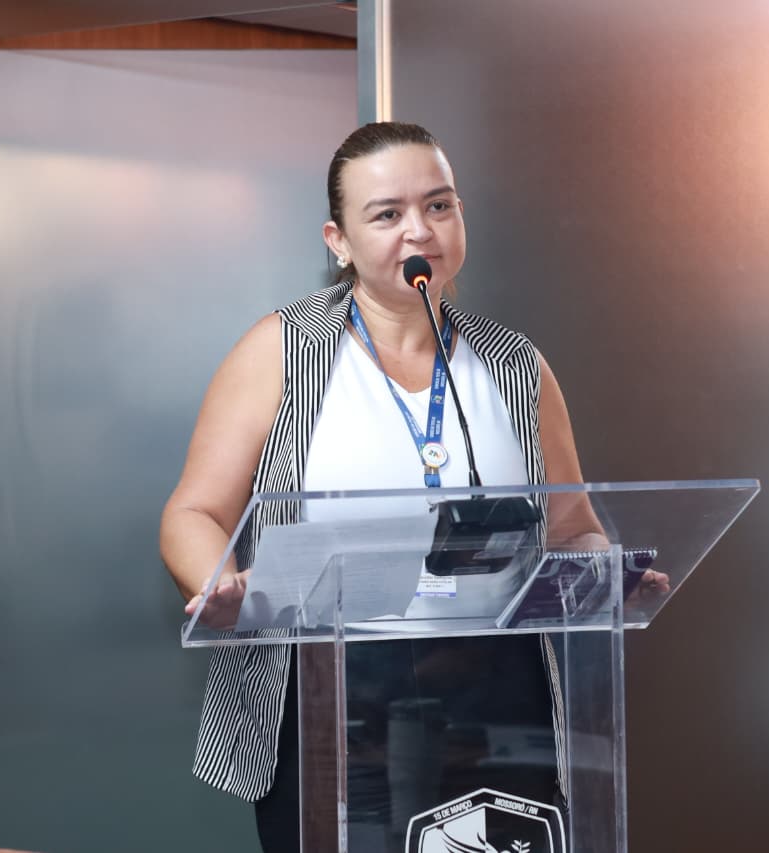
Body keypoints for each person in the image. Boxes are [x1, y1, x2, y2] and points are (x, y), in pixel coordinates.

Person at [160, 122, 665, 853]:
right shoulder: (283, 348)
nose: (419, 231)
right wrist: (224, 583)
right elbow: (193, 511)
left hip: (499, 694)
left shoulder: (515, 365)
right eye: (387, 214)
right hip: (333, 692)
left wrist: (604, 579)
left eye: (438, 205)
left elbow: (572, 526)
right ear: (338, 241)